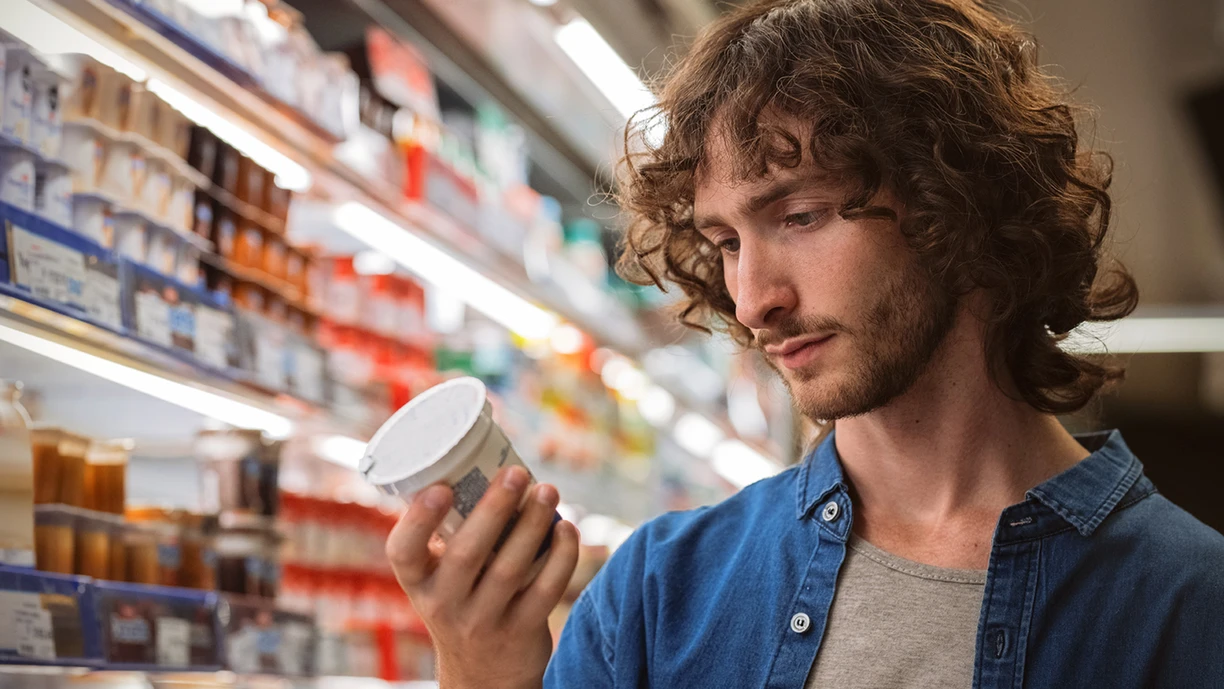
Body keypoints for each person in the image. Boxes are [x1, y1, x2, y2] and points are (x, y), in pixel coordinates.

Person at [384, 0, 1224, 687]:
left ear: (957, 205)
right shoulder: (654, 595)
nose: (755, 301)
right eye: (727, 241)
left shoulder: (1191, 607)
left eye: (800, 215)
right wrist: (481, 668)